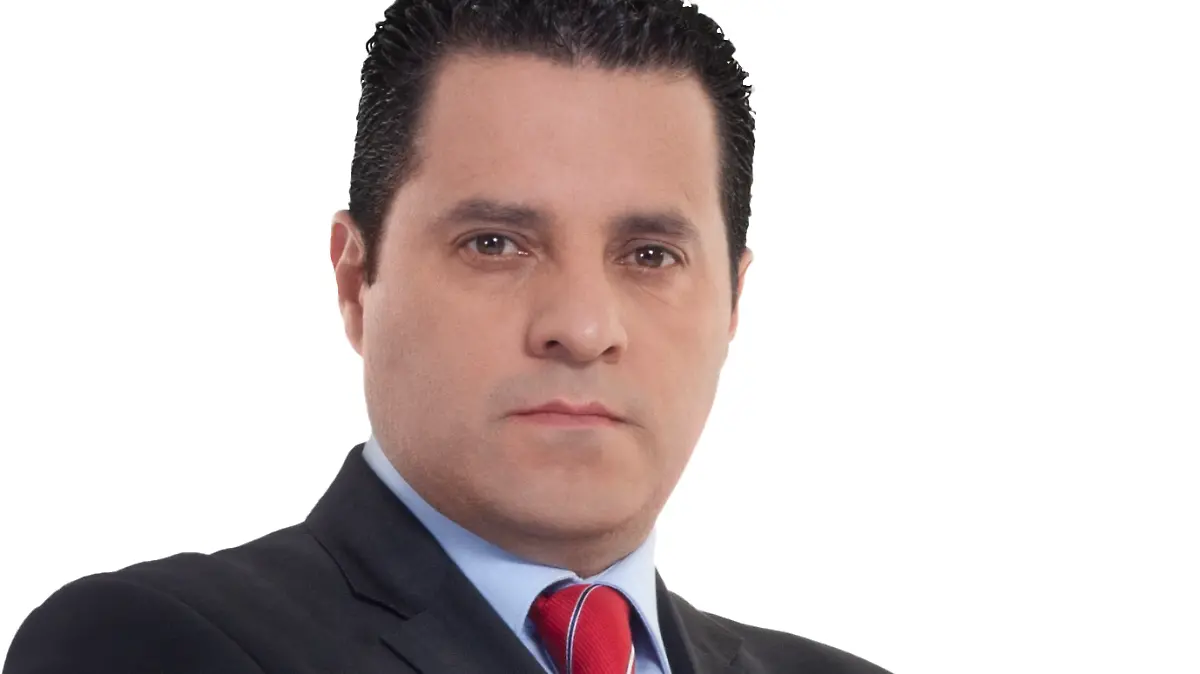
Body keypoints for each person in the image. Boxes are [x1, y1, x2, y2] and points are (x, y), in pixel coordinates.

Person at [4, 1, 892, 673]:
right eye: (495, 244)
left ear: (733, 304)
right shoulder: (151, 644)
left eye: (651, 255)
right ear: (355, 281)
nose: (582, 328)